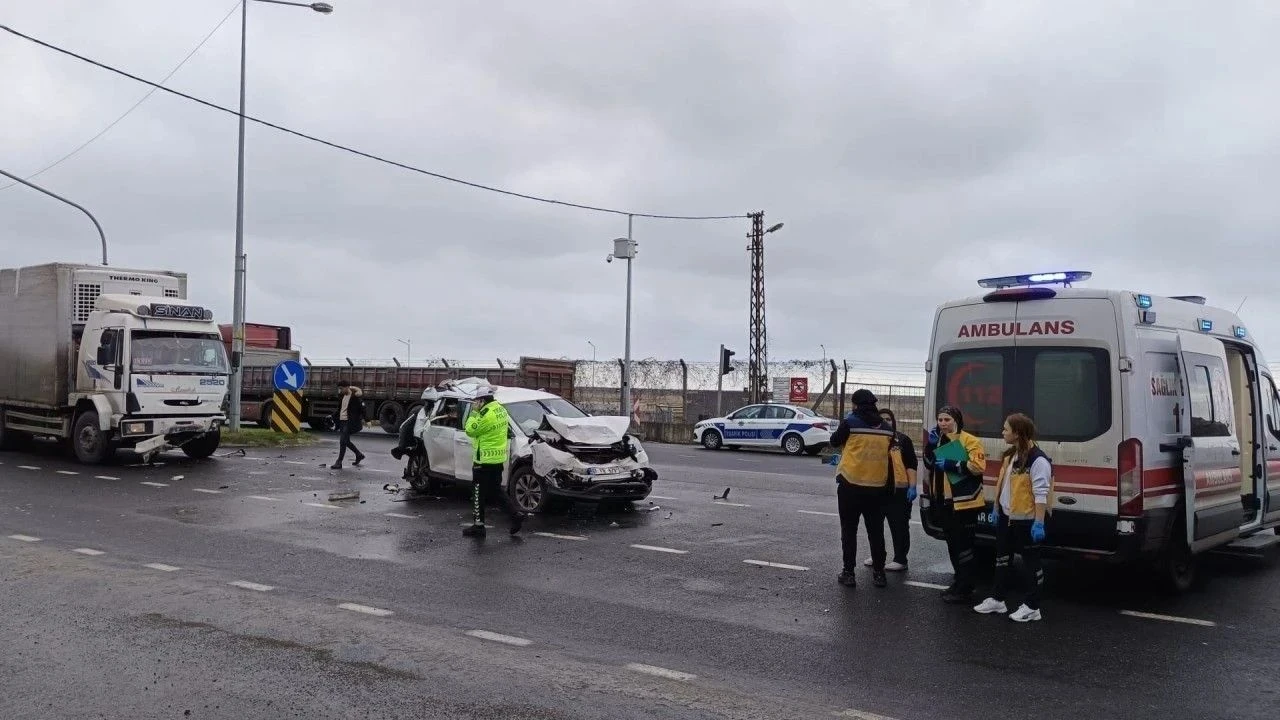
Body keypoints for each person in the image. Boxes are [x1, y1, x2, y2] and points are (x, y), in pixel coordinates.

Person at [973, 413, 1052, 622]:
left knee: (1031, 563)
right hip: (1007, 517)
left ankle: (1033, 607)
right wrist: (998, 506)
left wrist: (1039, 522)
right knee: (1001, 558)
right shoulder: (1011, 455)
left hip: (1026, 520)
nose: (1003, 432)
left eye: (1006, 429)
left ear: (1017, 433)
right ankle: (998, 600)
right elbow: (1005, 483)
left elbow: (1041, 493)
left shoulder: (1038, 459)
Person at [830, 388, 897, 589]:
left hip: (851, 484)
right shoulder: (886, 427)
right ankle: (879, 574)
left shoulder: (850, 423)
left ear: (856, 404)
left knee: (849, 530)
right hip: (877, 487)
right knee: (876, 531)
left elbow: (834, 442)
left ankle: (849, 573)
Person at [923, 405, 986, 604]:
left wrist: (952, 464)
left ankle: (966, 587)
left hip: (965, 503)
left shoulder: (970, 440)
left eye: (947, 420)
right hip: (944, 502)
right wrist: (929, 447)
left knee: (964, 546)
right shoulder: (939, 440)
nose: (943, 423)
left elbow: (978, 466)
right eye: (940, 420)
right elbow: (928, 463)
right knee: (952, 544)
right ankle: (959, 581)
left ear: (956, 420)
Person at [462, 385, 526, 538]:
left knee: (478, 493)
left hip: (483, 461)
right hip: (497, 459)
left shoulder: (484, 414)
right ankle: (515, 514)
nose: (475, 403)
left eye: (476, 401)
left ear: (482, 400)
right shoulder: (500, 409)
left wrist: (473, 413)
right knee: (496, 491)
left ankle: (479, 526)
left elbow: (470, 430)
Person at [861, 408, 917, 572]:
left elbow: (911, 465)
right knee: (874, 526)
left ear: (893, 421)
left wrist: (912, 486)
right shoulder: (871, 439)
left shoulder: (903, 440)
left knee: (899, 525)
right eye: (882, 418)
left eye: (888, 418)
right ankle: (877, 555)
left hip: (897, 491)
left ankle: (900, 559)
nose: (886, 421)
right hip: (875, 490)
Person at [330, 384, 365, 470]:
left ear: (346, 387)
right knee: (346, 441)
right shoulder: (342, 396)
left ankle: (339, 462)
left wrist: (367, 420)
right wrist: (332, 416)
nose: (340, 390)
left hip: (349, 422)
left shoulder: (354, 396)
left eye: (341, 388)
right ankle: (359, 454)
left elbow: (362, 408)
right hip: (342, 421)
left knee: (342, 441)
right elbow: (340, 409)